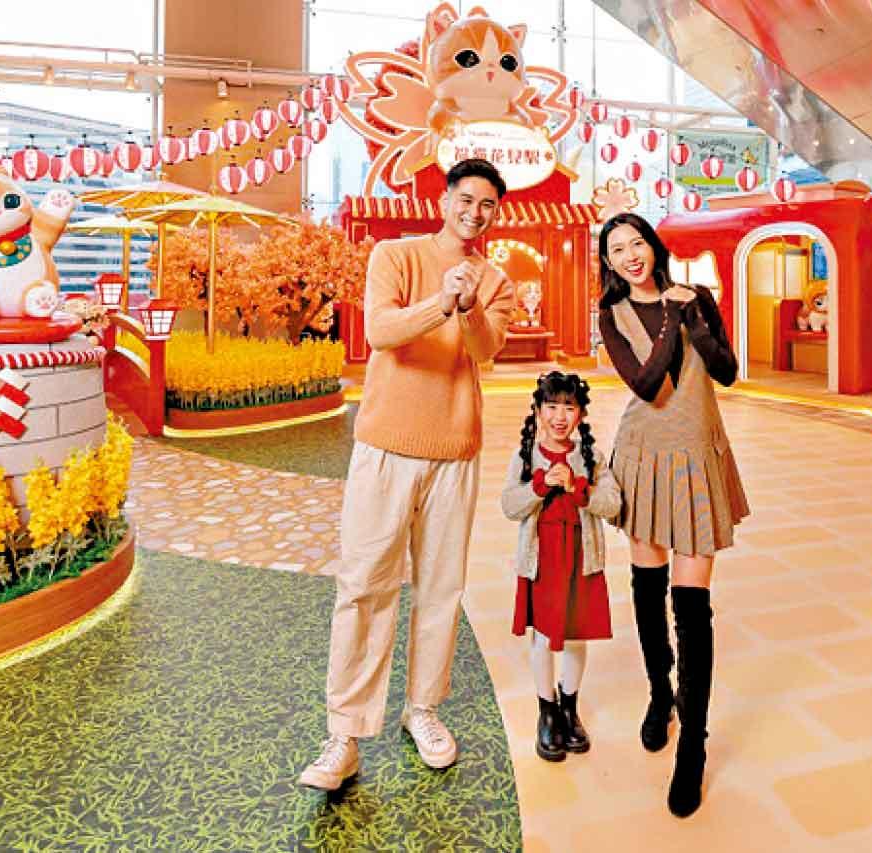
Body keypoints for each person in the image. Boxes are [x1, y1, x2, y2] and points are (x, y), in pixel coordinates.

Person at [299, 159, 516, 791]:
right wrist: (442, 301)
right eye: (466, 199)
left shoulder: (496, 281)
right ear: (445, 200)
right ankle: (345, 733)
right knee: (364, 584)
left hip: (455, 450)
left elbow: (485, 350)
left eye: (487, 205)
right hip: (385, 446)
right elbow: (381, 331)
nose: (475, 213)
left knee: (441, 589)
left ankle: (423, 709)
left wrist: (469, 308)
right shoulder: (395, 255)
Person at [596, 212, 749, 818]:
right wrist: (670, 319)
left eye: (638, 243)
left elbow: (727, 372)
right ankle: (660, 694)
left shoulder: (697, 296)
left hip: (696, 456)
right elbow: (647, 384)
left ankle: (694, 745)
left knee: (692, 606)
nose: (630, 255)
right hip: (643, 456)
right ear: (608, 262)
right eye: (617, 250)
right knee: (647, 589)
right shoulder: (612, 314)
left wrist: (696, 319)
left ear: (654, 247)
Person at [501, 372, 621, 762]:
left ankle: (570, 707)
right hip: (542, 563)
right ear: (537, 412)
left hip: (581, 560)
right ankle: (547, 710)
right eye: (551, 407)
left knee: (575, 636)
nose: (559, 416)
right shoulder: (525, 456)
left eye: (569, 407)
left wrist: (579, 488)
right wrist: (538, 487)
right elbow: (509, 506)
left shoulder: (591, 457)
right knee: (542, 637)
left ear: (581, 414)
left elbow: (613, 504)